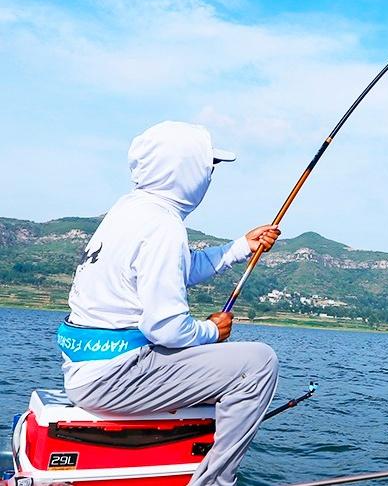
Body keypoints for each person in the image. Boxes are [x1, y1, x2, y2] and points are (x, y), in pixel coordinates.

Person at [57, 121, 281, 486]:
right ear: (185, 168)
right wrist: (212, 330)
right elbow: (165, 329)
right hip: (116, 377)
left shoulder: (129, 211)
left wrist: (240, 247)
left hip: (86, 372)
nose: (210, 175)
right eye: (209, 166)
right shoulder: (163, 225)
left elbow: (175, 269)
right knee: (258, 363)